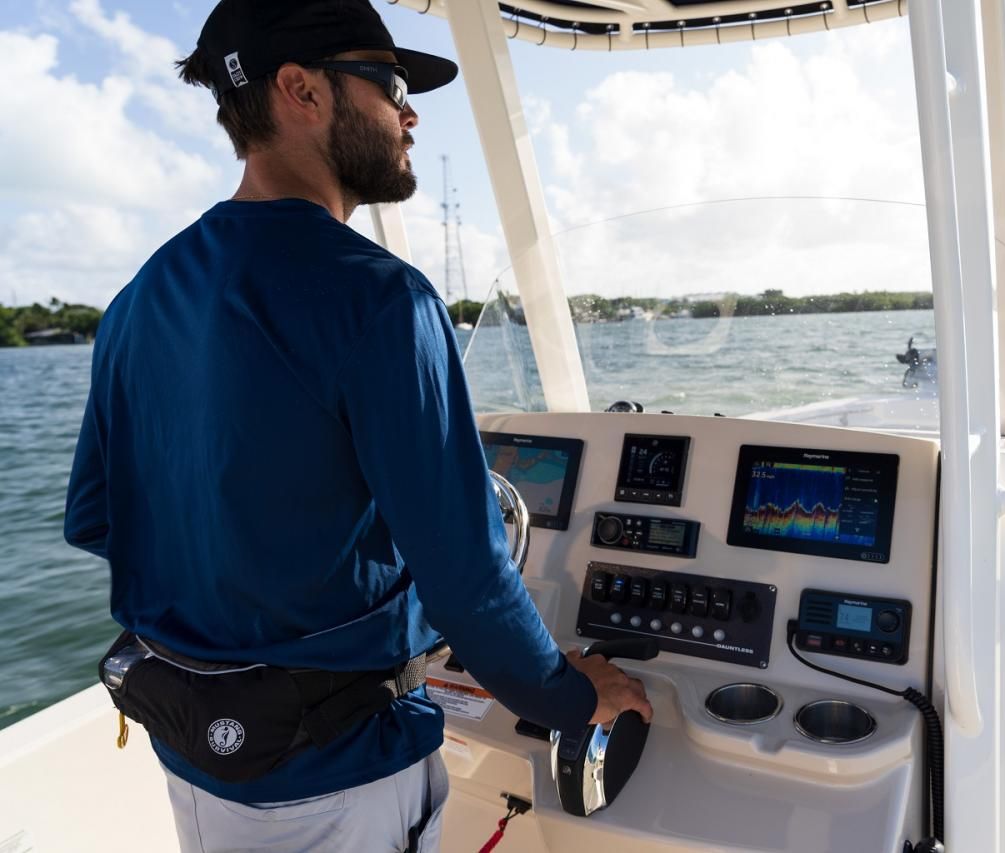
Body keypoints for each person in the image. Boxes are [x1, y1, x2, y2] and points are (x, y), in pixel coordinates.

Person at [63, 1, 651, 850]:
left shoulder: (136, 300)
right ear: (301, 90)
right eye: (391, 86)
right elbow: (468, 580)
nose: (410, 116)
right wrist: (573, 694)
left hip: (195, 757)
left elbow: (97, 519)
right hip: (336, 780)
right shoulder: (381, 300)